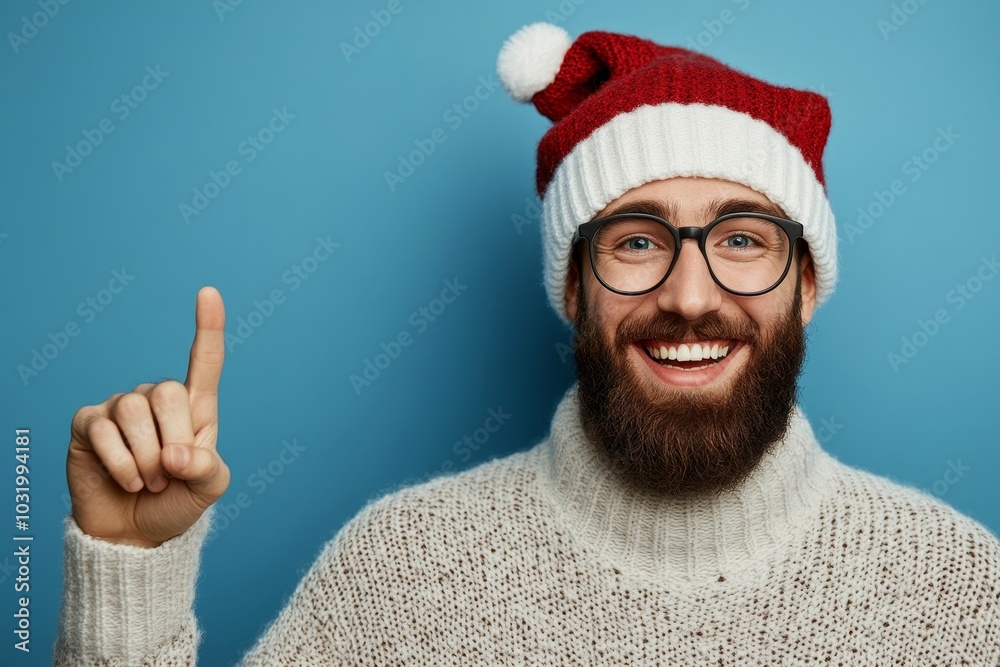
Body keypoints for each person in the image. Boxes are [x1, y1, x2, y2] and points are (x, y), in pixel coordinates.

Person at [55, 23, 1000, 665]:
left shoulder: (957, 591)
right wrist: (127, 571)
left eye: (743, 239)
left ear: (805, 284)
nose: (688, 293)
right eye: (637, 240)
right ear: (575, 287)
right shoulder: (402, 572)